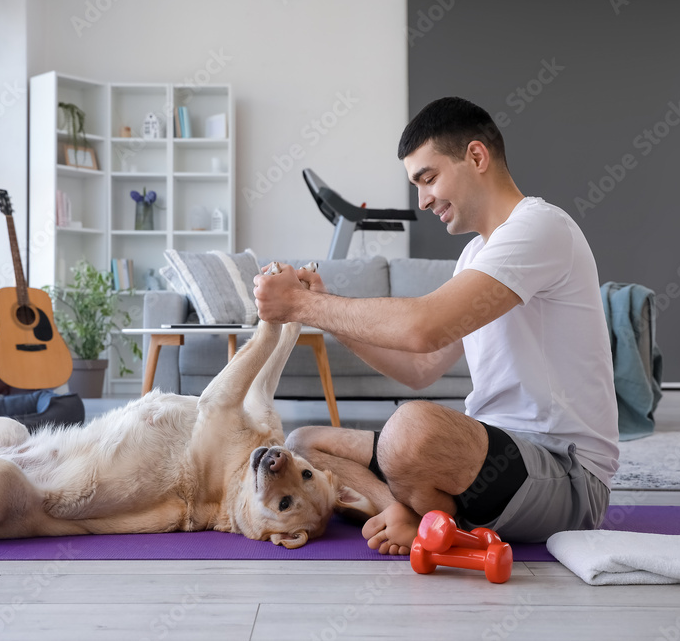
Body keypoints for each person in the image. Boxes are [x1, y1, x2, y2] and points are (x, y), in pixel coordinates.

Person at [253, 96, 619, 555]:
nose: (423, 200)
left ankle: (425, 514)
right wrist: (324, 307)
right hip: (488, 456)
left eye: (428, 179)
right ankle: (412, 513)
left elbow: (422, 329)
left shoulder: (540, 229)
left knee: (411, 429)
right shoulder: (474, 255)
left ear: (477, 156)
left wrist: (300, 305)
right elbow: (420, 365)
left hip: (563, 473)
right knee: (304, 442)